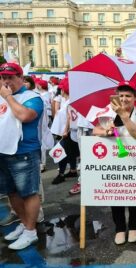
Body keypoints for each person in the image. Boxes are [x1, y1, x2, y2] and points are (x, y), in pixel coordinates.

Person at [93, 80, 136, 245]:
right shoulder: (109, 111)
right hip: (113, 160)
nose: (124, 99)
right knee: (115, 193)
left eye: (128, 96)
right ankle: (119, 228)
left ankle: (133, 226)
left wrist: (124, 115)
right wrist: (107, 131)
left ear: (135, 98)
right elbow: (95, 129)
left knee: (134, 193)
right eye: (121, 95)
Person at [0, 63, 43, 250]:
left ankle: (31, 231)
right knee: (12, 192)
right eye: (3, 77)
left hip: (24, 152)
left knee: (28, 193)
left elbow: (25, 116)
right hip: (3, 151)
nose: (7, 81)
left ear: (21, 77)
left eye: (11, 76)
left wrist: (8, 97)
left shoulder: (32, 97)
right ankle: (25, 225)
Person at [51, 79, 79, 185]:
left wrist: (65, 131)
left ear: (63, 90)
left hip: (69, 133)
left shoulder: (70, 102)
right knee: (70, 153)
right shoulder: (67, 101)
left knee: (60, 152)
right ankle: (73, 170)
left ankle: (61, 174)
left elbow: (69, 118)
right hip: (68, 133)